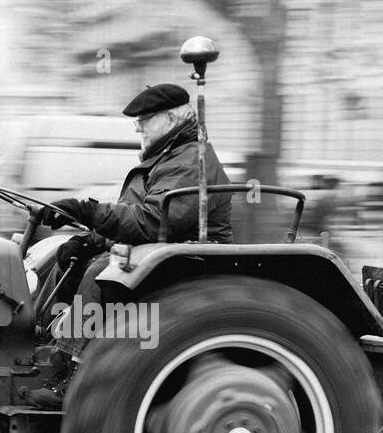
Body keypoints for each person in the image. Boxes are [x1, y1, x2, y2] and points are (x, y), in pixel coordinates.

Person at [24, 82, 234, 408]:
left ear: (169, 119)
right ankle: (35, 344)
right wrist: (89, 238)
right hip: (159, 245)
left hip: (189, 256)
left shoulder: (191, 160)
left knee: (100, 271)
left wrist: (87, 210)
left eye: (145, 118)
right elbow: (135, 223)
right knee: (64, 255)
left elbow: (151, 222)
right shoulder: (165, 157)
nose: (138, 126)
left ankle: (72, 376)